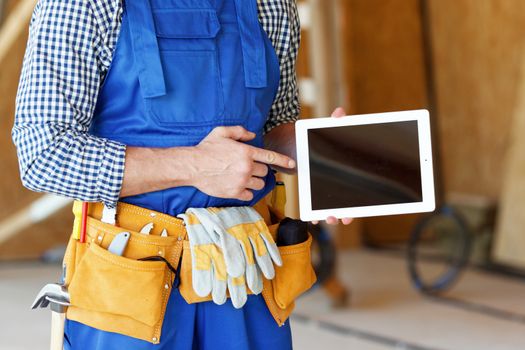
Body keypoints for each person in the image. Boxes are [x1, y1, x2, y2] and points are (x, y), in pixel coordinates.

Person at [13, 0, 352, 348]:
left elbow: (271, 127)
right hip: (132, 288)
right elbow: (43, 154)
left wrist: (319, 157)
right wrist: (196, 166)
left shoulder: (272, 5)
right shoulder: (83, 5)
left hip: (247, 275)